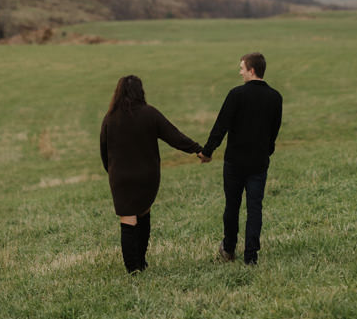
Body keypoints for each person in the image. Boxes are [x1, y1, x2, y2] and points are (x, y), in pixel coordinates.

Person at [99, 74, 204, 274]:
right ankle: (141, 260)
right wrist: (197, 149)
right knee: (143, 213)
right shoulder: (150, 114)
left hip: (120, 178)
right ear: (140, 91)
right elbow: (174, 136)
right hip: (147, 176)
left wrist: (111, 171)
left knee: (127, 219)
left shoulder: (110, 118)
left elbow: (104, 150)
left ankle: (133, 269)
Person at [199, 52, 283, 266]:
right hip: (259, 162)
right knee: (255, 209)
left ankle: (228, 249)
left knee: (232, 207)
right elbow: (274, 131)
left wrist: (207, 151)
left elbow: (221, 126)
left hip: (235, 162)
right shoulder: (275, 97)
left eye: (242, 68)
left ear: (251, 70)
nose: (240, 72)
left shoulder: (236, 95)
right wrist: (266, 151)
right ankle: (251, 256)